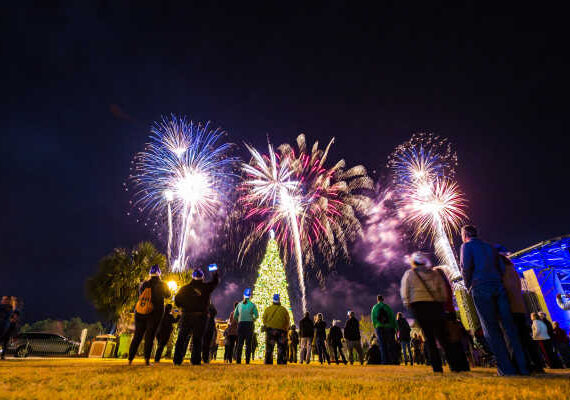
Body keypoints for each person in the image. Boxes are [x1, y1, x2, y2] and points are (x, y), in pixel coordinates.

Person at [459, 225, 529, 376]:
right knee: (509, 328)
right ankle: (522, 367)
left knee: (491, 329)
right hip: (498, 286)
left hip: (480, 286)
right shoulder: (489, 246)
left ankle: (506, 369)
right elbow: (501, 267)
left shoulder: (466, 246)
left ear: (464, 235)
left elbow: (465, 268)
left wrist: (468, 286)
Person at [495, 245, 544, 373]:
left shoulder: (500, 269)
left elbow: (504, 287)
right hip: (520, 307)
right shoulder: (512, 268)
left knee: (515, 338)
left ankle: (522, 365)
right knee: (526, 338)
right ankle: (538, 364)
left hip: (510, 306)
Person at [400, 252, 449, 372]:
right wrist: (442, 302)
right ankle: (454, 363)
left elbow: (404, 292)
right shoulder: (435, 273)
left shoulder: (410, 274)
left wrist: (408, 304)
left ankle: (437, 367)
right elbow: (443, 290)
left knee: (429, 337)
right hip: (435, 305)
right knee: (442, 336)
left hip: (419, 306)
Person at [173, 268, 219, 365]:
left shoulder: (184, 288)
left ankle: (177, 359)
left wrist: (184, 307)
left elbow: (177, 300)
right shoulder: (206, 287)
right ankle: (195, 360)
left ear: (192, 277)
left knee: (182, 337)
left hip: (187, 315)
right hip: (201, 317)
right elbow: (215, 282)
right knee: (197, 339)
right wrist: (215, 273)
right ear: (202, 277)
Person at [128, 265, 171, 366]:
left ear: (150, 274)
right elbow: (168, 295)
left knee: (137, 336)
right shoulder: (162, 284)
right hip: (154, 314)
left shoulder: (144, 284)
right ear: (159, 274)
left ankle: (130, 359)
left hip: (140, 312)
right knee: (150, 336)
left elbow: (141, 294)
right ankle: (147, 359)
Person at [262, 294, 290, 364]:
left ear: (273, 300)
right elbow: (287, 321)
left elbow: (264, 319)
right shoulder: (284, 310)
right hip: (281, 331)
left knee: (269, 348)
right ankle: (281, 361)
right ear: (279, 300)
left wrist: (268, 325)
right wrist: (285, 328)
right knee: (281, 348)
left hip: (270, 330)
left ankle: (268, 362)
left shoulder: (268, 309)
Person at [234, 288, 259, 364]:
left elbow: (235, 316)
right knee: (248, 344)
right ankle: (247, 361)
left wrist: (239, 319)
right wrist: (252, 319)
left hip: (241, 325)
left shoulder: (239, 304)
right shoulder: (252, 305)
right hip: (249, 325)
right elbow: (256, 315)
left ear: (243, 296)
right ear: (250, 296)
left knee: (240, 344)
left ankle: (238, 360)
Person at [371, 295, 397, 364]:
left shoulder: (375, 307)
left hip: (379, 327)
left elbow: (373, 318)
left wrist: (375, 326)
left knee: (382, 344)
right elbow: (392, 317)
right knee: (389, 344)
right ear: (383, 299)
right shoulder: (387, 307)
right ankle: (391, 360)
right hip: (388, 327)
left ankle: (384, 361)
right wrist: (394, 327)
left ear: (377, 300)